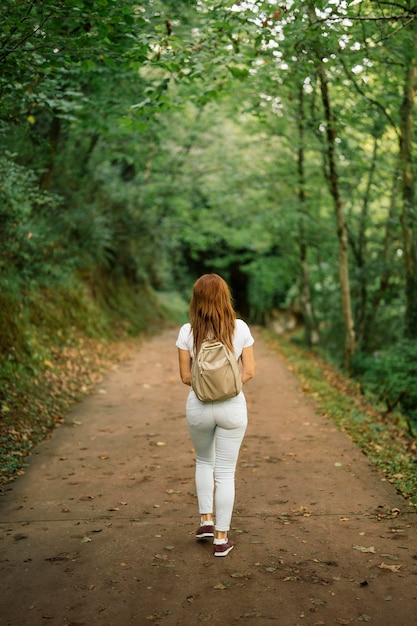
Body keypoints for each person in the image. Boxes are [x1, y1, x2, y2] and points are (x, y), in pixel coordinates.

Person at [176, 274, 255, 557]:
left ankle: (205, 521)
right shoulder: (240, 328)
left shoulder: (188, 331)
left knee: (204, 461)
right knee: (225, 472)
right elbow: (249, 371)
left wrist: (207, 388)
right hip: (232, 406)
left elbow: (186, 376)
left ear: (196, 299)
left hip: (198, 405)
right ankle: (221, 539)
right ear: (225, 297)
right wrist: (226, 386)